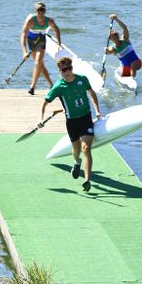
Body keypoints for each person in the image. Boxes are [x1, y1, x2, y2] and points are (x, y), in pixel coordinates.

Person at [40, 57, 102, 192]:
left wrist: (97, 110)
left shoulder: (82, 79)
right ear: (60, 71)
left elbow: (91, 93)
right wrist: (41, 119)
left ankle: (87, 180)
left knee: (86, 148)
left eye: (69, 68)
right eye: (64, 70)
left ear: (72, 68)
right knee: (76, 150)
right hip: (72, 122)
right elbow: (45, 102)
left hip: (86, 118)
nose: (67, 72)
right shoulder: (58, 86)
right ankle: (77, 162)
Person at [20, 1, 61, 95]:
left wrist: (59, 42)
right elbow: (23, 35)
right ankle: (51, 85)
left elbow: (56, 29)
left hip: (41, 39)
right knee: (39, 64)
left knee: (38, 62)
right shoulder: (30, 20)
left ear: (45, 11)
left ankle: (32, 87)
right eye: (39, 11)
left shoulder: (49, 20)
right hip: (31, 39)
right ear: (35, 11)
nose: (41, 13)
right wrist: (24, 52)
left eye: (43, 10)